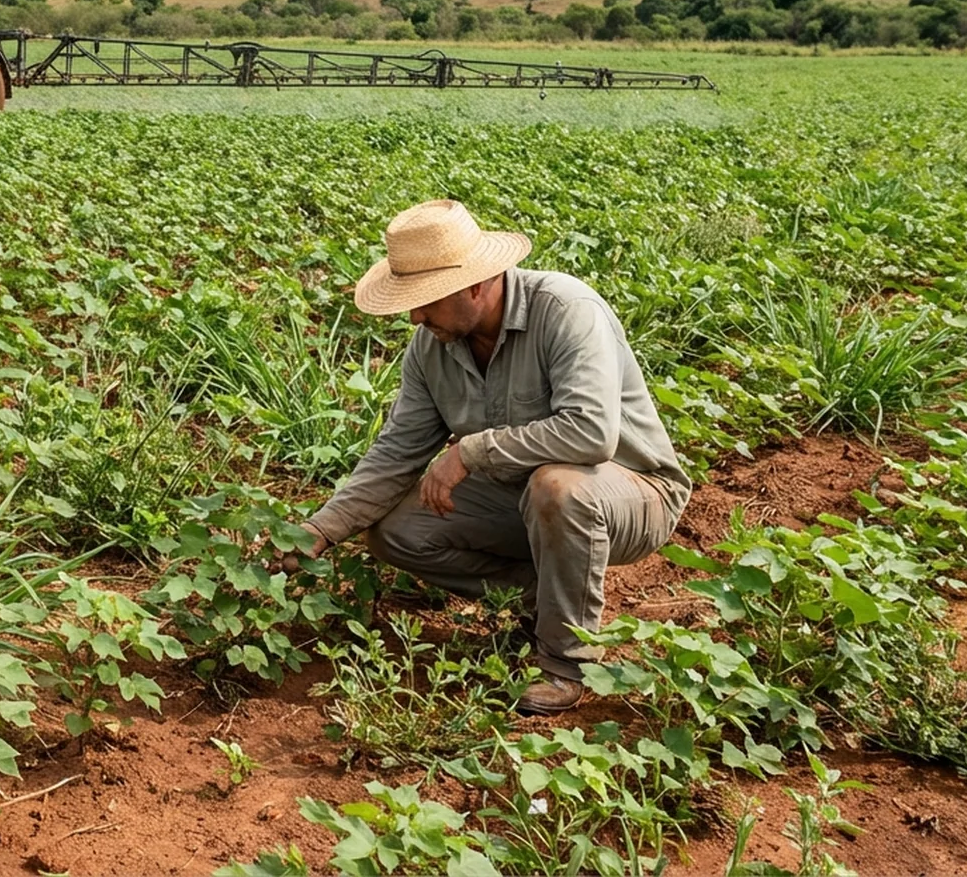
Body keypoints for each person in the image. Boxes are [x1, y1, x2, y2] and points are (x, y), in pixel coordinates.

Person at [289, 199, 690, 714]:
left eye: (427, 301)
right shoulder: (431, 347)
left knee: (558, 486)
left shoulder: (566, 310)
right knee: (398, 531)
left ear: (476, 284)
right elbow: (396, 452)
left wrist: (472, 451)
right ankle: (544, 600)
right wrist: (319, 531)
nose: (414, 316)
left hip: (632, 493)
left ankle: (566, 663)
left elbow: (591, 434)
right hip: (521, 499)